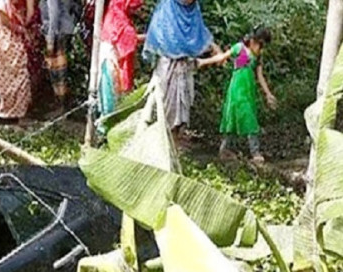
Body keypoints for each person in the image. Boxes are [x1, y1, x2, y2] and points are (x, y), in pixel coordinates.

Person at [143, 0, 220, 145]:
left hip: (184, 66)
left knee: (183, 103)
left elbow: (199, 31)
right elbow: (160, 34)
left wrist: (215, 48)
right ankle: (163, 140)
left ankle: (177, 138)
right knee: (166, 102)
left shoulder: (193, 10)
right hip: (167, 64)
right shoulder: (167, 8)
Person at [197, 27, 276, 164]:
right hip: (236, 89)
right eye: (259, 44)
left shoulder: (258, 56)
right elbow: (222, 57)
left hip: (248, 90)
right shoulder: (239, 48)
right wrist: (203, 62)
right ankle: (228, 149)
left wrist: (268, 94)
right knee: (232, 117)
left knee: (249, 117)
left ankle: (253, 151)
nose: (260, 47)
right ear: (253, 40)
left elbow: (260, 76)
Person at [0, 0, 35, 120]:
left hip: (2, 35)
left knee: (10, 72)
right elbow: (5, 21)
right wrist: (22, 29)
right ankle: (7, 109)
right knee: (14, 71)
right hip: (5, 36)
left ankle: (8, 108)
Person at [98, 0, 144, 116]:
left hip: (113, 57)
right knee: (110, 95)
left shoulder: (118, 13)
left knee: (113, 95)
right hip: (110, 60)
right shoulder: (116, 16)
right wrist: (150, 37)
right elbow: (128, 38)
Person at [40, 0, 80, 108]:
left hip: (57, 32)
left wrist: (50, 39)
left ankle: (61, 105)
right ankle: (62, 103)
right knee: (60, 69)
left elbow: (54, 13)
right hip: (64, 29)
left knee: (57, 70)